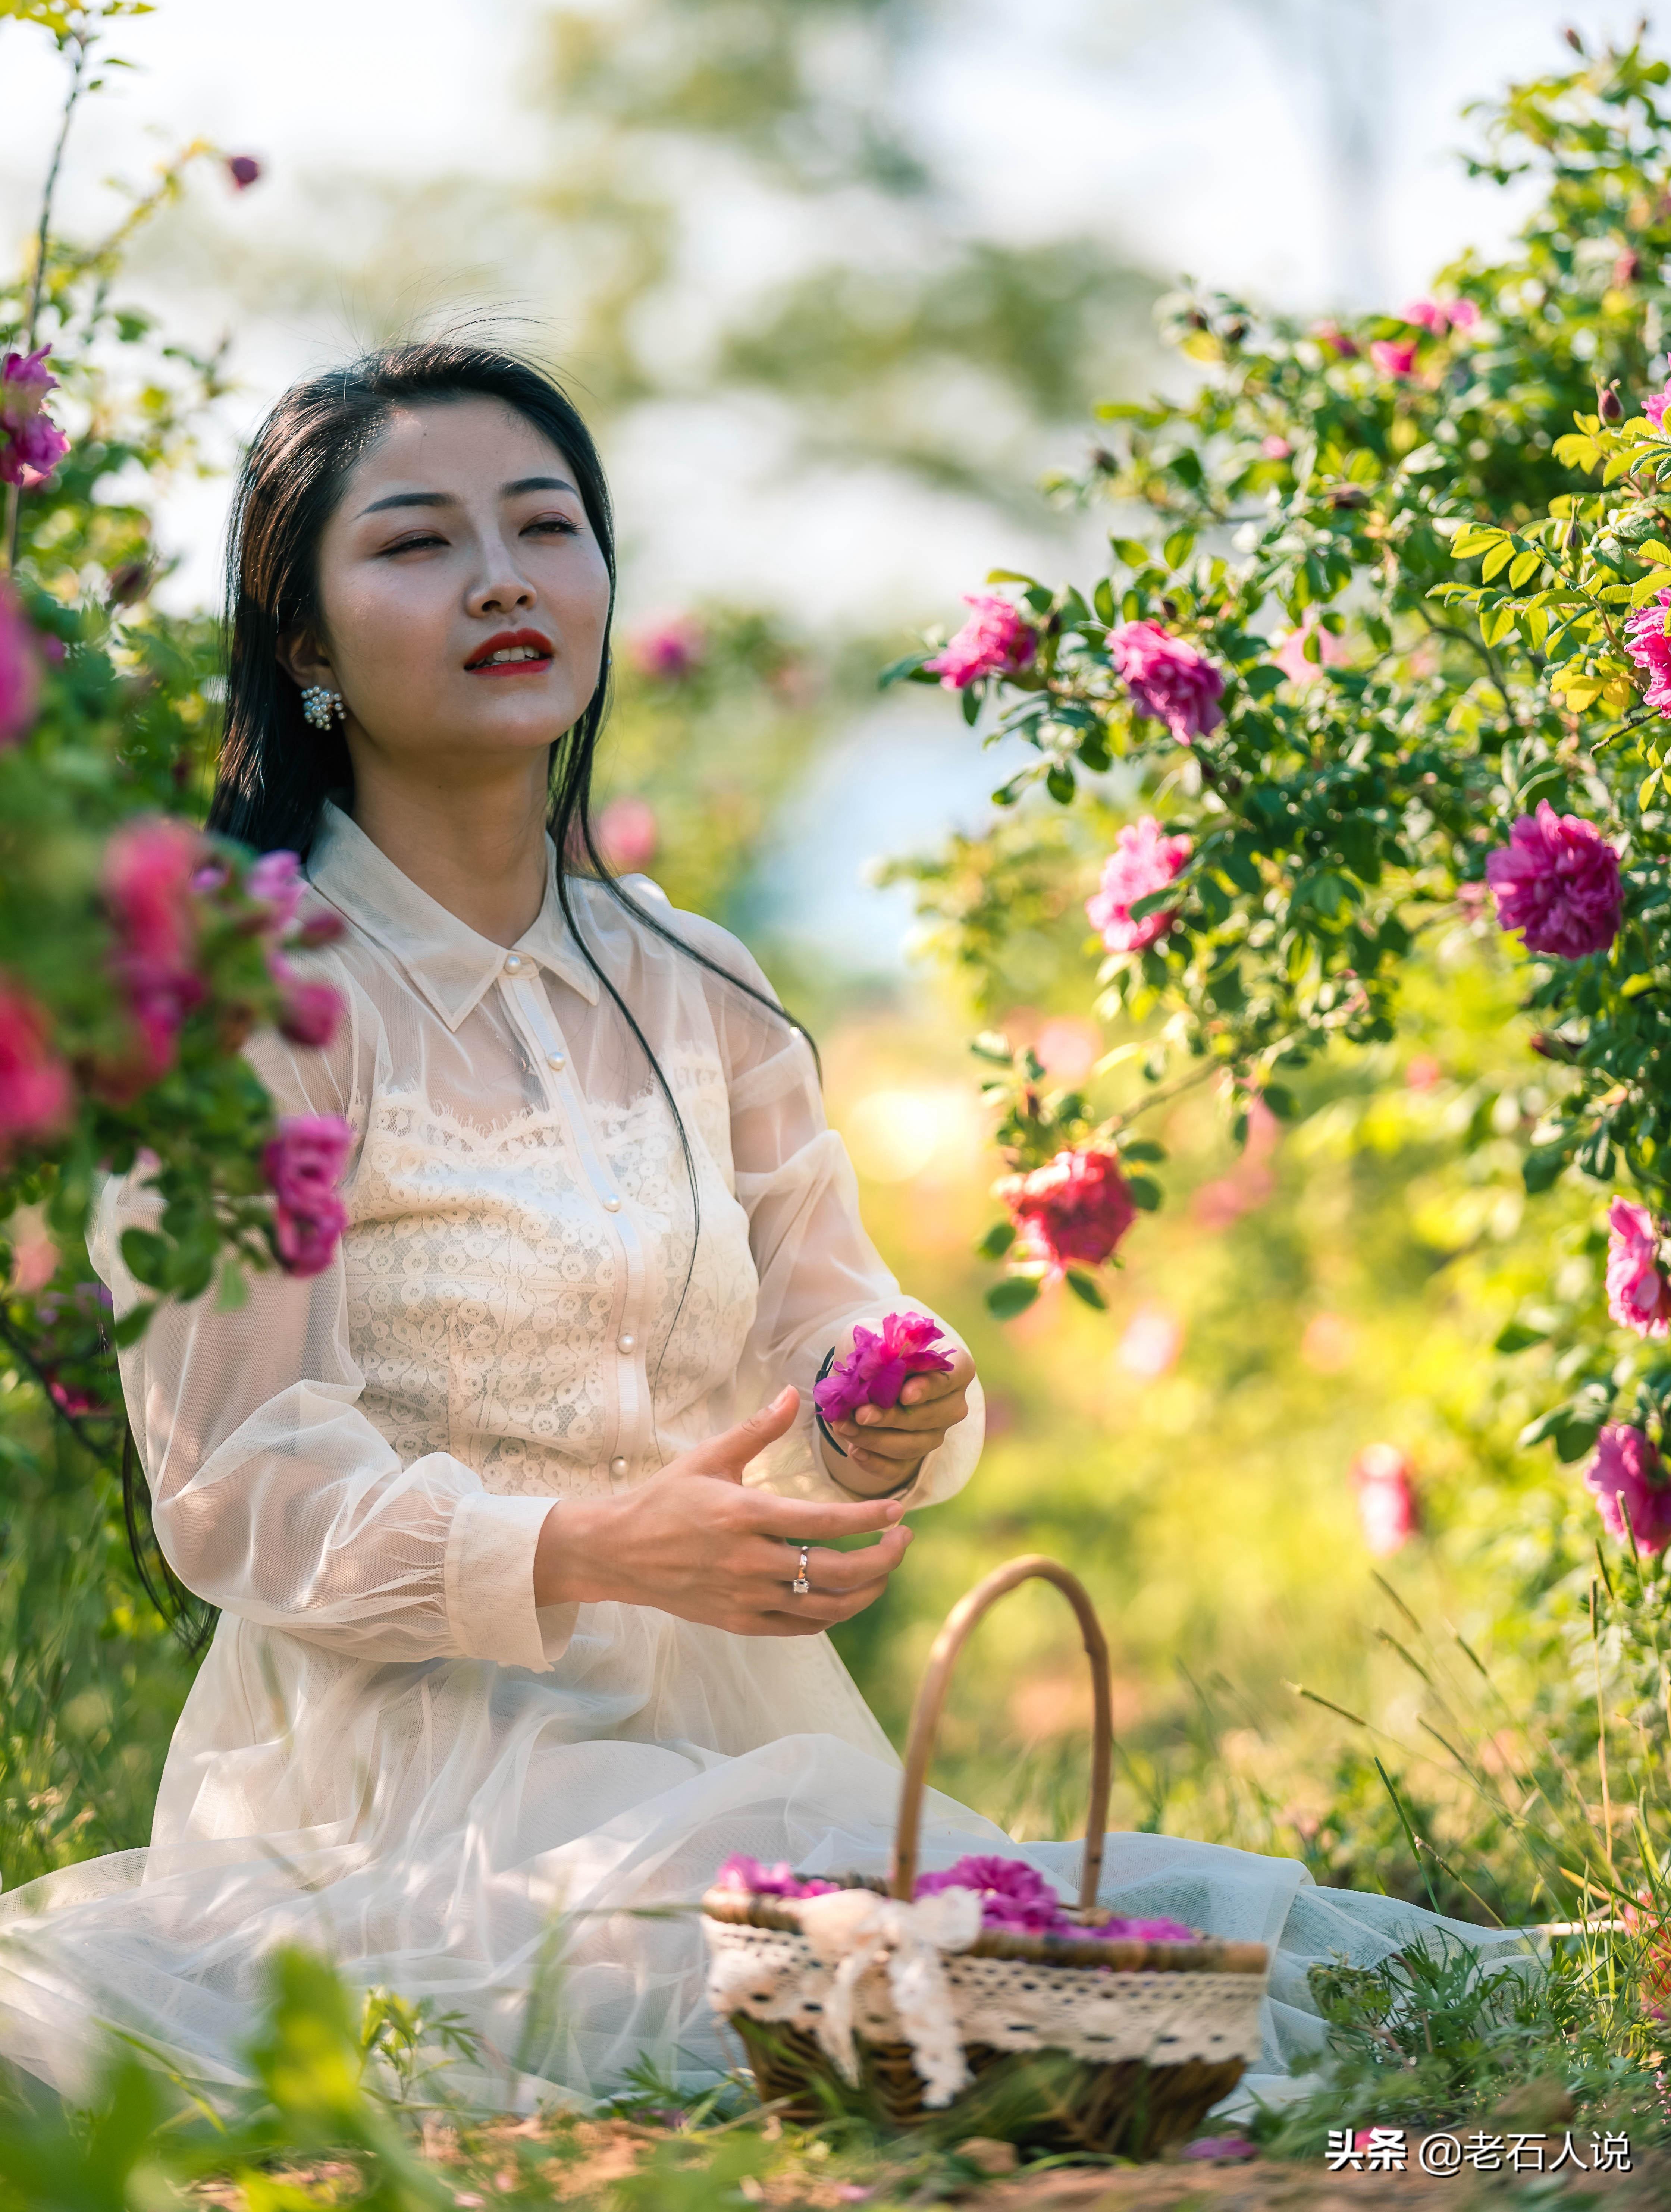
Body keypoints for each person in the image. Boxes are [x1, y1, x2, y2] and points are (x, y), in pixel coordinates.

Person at [0, 345, 1520, 2111]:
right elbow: (235, 1488)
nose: (502, 576)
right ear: (308, 645)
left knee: (1170, 1963)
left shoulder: (693, 982)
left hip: (748, 1740)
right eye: (416, 543)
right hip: (407, 1789)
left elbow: (828, 1330)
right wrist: (582, 1546)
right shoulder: (259, 999)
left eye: (547, 526)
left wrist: (873, 1417)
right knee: (826, 1996)